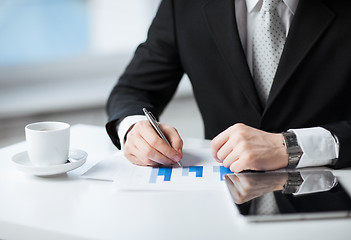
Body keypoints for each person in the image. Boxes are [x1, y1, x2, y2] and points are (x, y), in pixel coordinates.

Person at [106, 0, 351, 172]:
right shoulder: (182, 4)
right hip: (220, 195)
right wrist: (134, 128)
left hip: (336, 187)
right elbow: (133, 89)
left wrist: (295, 147)